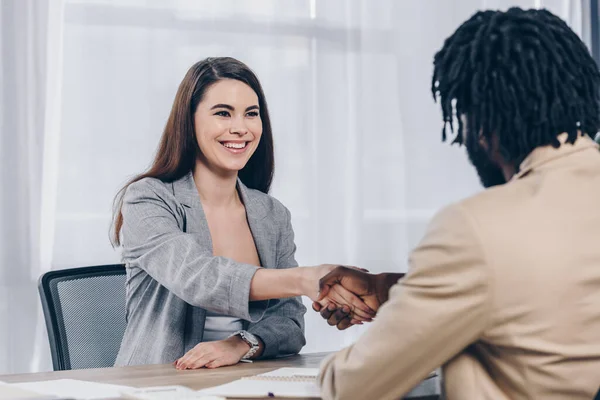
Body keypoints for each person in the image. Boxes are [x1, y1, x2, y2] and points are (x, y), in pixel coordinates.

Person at [315, 8, 600, 399]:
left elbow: (349, 387)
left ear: (479, 121)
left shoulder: (478, 228)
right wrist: (391, 290)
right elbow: (548, 293)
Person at [111, 57, 374, 369]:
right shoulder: (148, 199)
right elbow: (199, 278)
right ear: (189, 121)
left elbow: (289, 321)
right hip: (159, 385)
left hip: (242, 382)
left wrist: (241, 344)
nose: (240, 128)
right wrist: (308, 279)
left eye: (251, 114)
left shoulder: (272, 214)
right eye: (223, 113)